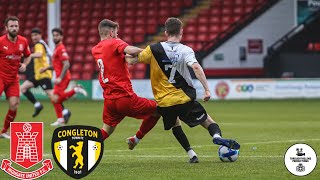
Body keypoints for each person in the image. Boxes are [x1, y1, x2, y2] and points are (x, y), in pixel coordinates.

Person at [126, 17, 240, 163]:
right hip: (184, 98)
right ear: (181, 32)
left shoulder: (153, 49)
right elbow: (196, 67)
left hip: (165, 102)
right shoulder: (186, 50)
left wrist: (121, 53)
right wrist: (207, 90)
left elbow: (130, 60)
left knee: (175, 125)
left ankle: (192, 154)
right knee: (207, 121)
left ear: (166, 32)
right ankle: (216, 137)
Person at [91, 19, 160, 150]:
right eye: (116, 33)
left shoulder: (95, 49)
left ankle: (85, 146)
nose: (117, 35)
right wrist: (152, 52)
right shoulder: (114, 42)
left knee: (107, 129)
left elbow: (121, 58)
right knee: (159, 109)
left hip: (109, 100)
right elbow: (131, 50)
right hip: (124, 97)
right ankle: (136, 139)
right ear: (111, 32)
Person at [20, 27, 71, 120]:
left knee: (53, 96)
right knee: (23, 88)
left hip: (43, 75)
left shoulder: (39, 44)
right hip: (38, 74)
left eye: (36, 35)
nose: (34, 37)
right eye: (32, 35)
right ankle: (37, 105)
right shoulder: (43, 44)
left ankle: (65, 111)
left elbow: (39, 54)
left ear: (40, 35)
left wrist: (28, 55)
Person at [40, 28, 87, 126]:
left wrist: (60, 77)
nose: (55, 37)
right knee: (54, 98)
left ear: (61, 37)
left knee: (56, 99)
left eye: (57, 35)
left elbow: (66, 64)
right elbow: (57, 65)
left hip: (63, 77)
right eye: (54, 35)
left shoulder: (61, 48)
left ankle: (76, 90)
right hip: (60, 76)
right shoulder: (56, 48)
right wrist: (46, 68)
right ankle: (60, 119)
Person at [0, 16, 31, 139]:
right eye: (11, 26)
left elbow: (28, 56)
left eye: (16, 26)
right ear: (6, 28)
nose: (14, 28)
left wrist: (25, 64)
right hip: (1, 76)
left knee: (14, 104)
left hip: (13, 78)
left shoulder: (23, 41)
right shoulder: (1, 41)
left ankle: (4, 131)